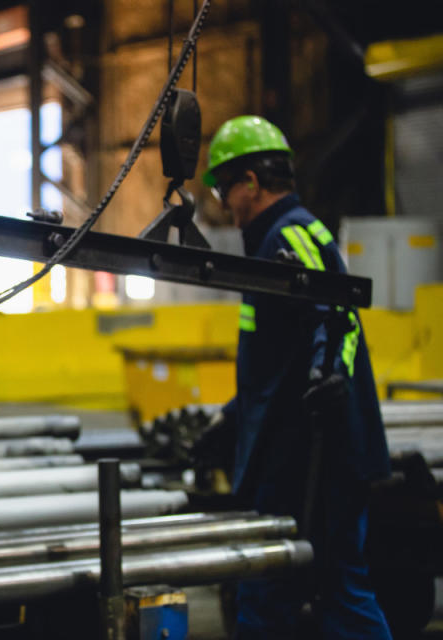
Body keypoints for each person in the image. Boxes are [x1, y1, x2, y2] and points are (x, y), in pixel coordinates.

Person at [198, 115, 392, 638]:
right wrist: (231, 420)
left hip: (317, 461)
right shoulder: (277, 241)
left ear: (251, 184)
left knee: (326, 592)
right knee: (291, 594)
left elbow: (336, 311)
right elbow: (279, 361)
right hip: (298, 455)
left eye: (223, 192)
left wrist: (327, 377)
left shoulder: (292, 233)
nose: (226, 208)